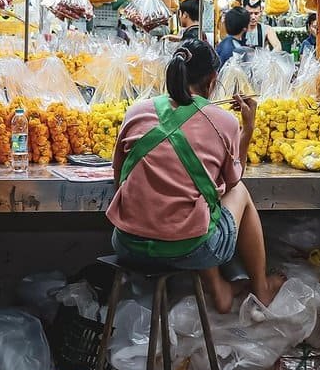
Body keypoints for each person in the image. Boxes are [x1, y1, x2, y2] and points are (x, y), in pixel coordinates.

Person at [106, 39, 283, 314]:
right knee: (237, 193)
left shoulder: (135, 111)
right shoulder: (224, 121)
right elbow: (233, 179)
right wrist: (248, 129)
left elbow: (118, 180)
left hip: (127, 244)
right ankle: (261, 287)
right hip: (190, 250)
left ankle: (220, 288)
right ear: (213, 79)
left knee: (198, 203)